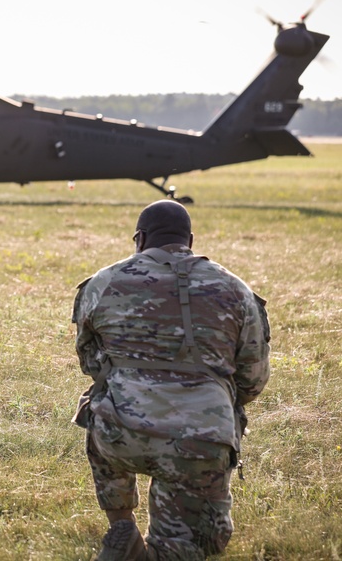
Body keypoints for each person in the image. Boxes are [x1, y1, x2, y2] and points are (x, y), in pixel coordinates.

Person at [71, 199, 270, 560]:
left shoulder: (105, 282)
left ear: (139, 238)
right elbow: (252, 379)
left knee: (95, 403)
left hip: (120, 435)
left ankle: (122, 527)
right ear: (190, 240)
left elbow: (90, 360)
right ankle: (166, 544)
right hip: (201, 440)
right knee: (187, 547)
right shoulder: (235, 288)